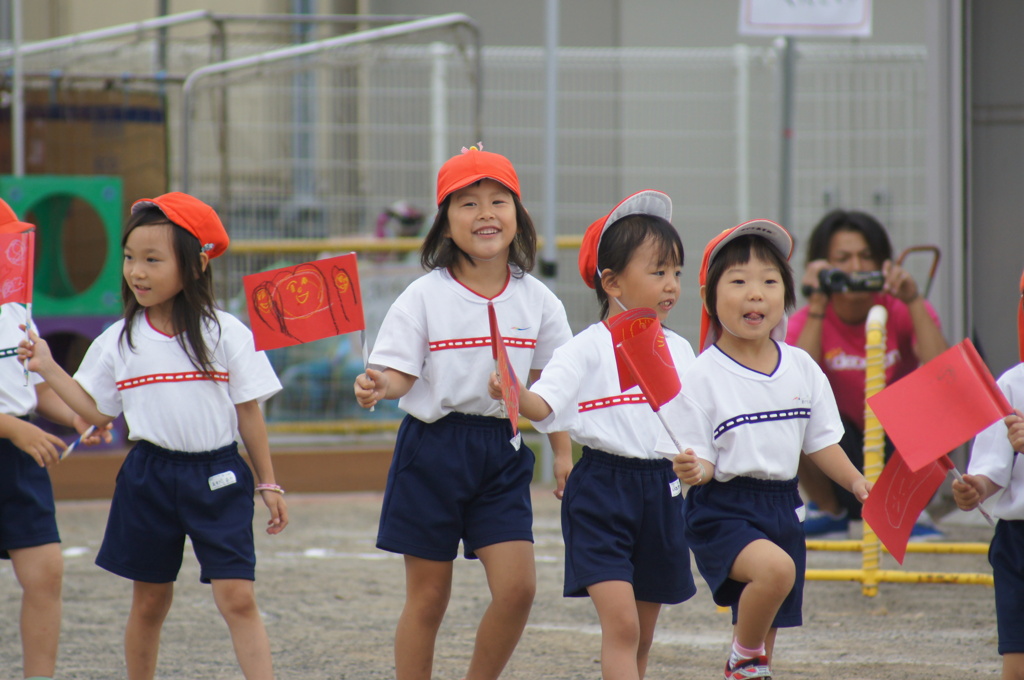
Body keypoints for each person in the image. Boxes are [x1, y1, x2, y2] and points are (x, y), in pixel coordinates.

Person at [18, 192, 288, 680]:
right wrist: (47, 365)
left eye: (151, 259)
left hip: (220, 475)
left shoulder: (226, 332)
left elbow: (249, 413)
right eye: (129, 258)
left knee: (238, 597)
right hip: (148, 479)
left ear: (197, 264)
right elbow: (96, 411)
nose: (135, 271)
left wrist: (268, 482)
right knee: (149, 601)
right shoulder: (118, 338)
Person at [353, 145, 573, 680]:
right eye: (467, 203)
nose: (485, 214)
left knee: (519, 590)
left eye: (498, 200)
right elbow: (399, 373)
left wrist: (563, 452)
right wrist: (379, 384)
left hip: (501, 453)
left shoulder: (539, 299)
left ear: (517, 215)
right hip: (431, 451)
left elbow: (557, 383)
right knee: (428, 599)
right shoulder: (422, 296)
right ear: (445, 223)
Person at [488, 190, 696, 680]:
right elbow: (545, 406)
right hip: (602, 491)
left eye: (677, 274)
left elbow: (699, 424)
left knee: (642, 635)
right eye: (658, 271)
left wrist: (698, 463)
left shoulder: (681, 349)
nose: (671, 285)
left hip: (662, 492)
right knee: (621, 627)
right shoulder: (584, 349)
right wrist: (512, 391)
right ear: (611, 281)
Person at [662, 220, 871, 680]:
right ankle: (741, 657)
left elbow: (822, 443)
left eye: (770, 281)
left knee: (766, 625)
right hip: (723, 507)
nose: (755, 293)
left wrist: (856, 481)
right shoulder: (701, 375)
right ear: (709, 298)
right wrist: (695, 469)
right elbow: (703, 460)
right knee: (774, 575)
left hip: (783, 505)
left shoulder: (801, 367)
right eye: (738, 281)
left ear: (786, 296)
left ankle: (746, 662)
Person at [786, 209, 948, 538]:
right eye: (843, 259)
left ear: (884, 264)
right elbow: (793, 383)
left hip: (899, 453)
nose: (856, 269)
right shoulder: (807, 319)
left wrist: (913, 298)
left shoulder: (903, 309)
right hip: (837, 459)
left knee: (938, 405)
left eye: (867, 257)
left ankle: (910, 512)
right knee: (794, 409)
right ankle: (829, 512)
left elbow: (943, 374)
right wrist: (817, 302)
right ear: (820, 266)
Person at [0, 201, 110, 680]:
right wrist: (14, 428)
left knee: (46, 572)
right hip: (17, 438)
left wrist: (77, 416)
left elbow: (34, 385)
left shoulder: (16, 306)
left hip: (21, 458)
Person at [951, 270, 1024, 680]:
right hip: (1017, 542)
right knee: (1016, 660)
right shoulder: (1012, 384)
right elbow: (994, 466)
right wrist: (976, 486)